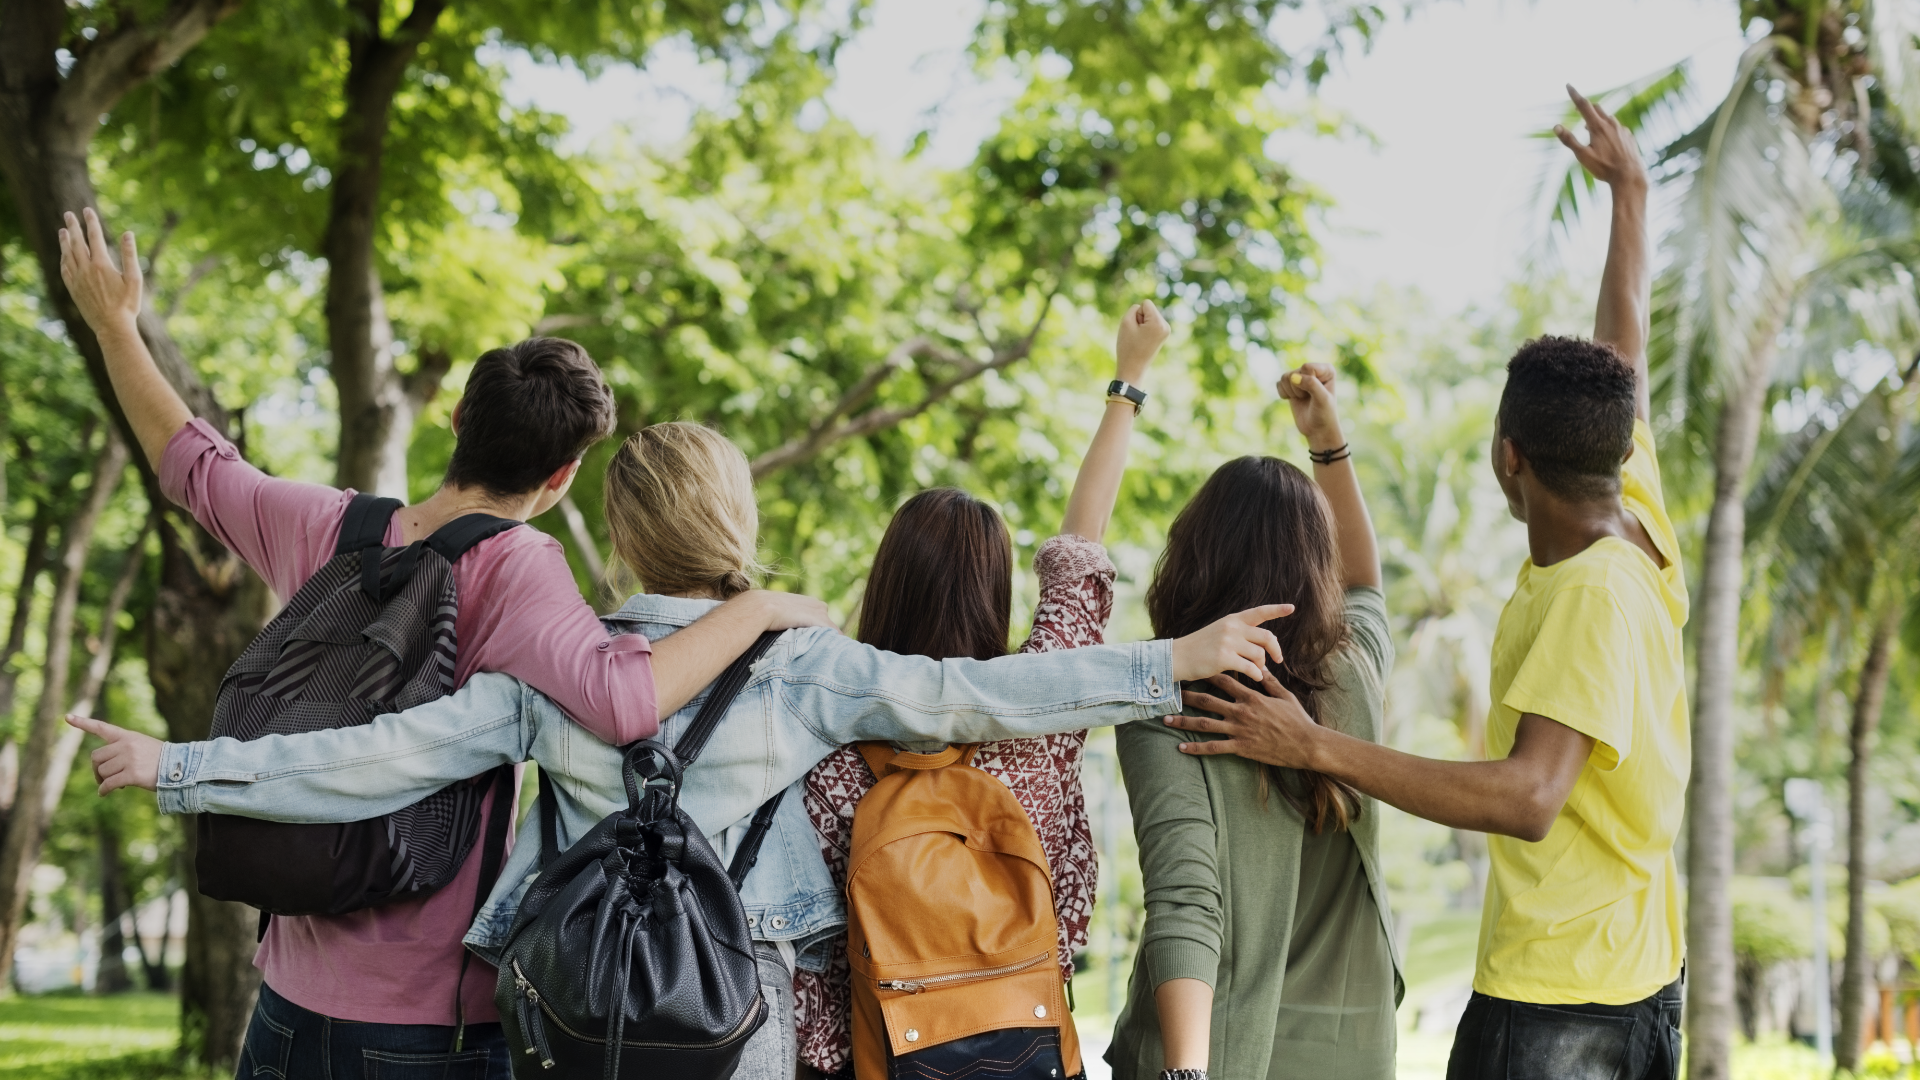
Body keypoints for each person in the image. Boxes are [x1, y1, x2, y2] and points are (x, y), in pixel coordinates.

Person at [70, 421, 1292, 1080]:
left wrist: (180, 766)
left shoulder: (554, 672)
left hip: (570, 1015)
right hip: (735, 1023)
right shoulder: (804, 665)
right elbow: (985, 695)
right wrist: (1167, 663)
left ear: (617, 543)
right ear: (737, 527)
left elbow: (374, 757)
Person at [55, 209, 832, 1073]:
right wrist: (759, 609)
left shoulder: (327, 526)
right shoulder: (520, 567)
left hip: (284, 1002)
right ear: (562, 474)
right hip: (424, 1024)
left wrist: (114, 325)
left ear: (457, 418)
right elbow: (626, 699)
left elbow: (194, 466)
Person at [1164, 87, 1688, 1080]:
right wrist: (1630, 198)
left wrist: (1315, 744)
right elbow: (1622, 353)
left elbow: (1531, 795)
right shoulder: (1634, 509)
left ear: (1508, 458)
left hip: (1561, 1004)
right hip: (1642, 977)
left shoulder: (1586, 595)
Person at [794, 300, 1171, 1079]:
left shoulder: (823, 742)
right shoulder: (1040, 714)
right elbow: (1080, 551)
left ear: (886, 584)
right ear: (993, 595)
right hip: (1022, 1048)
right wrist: (1126, 382)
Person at [1105, 356, 1400, 1080]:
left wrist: (1184, 1072)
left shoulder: (1169, 697)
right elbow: (1365, 583)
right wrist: (1329, 445)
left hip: (1224, 1055)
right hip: (1353, 1051)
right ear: (1314, 566)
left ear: (1193, 557)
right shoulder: (1352, 673)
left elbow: (1185, 903)